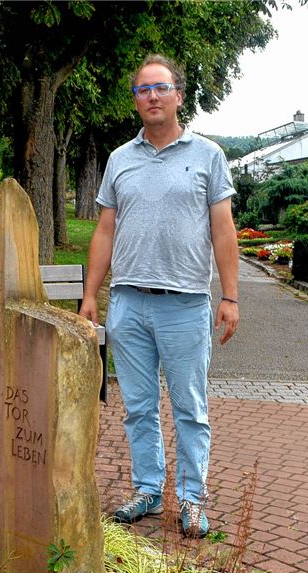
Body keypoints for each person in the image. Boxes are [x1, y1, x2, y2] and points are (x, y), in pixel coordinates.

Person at [79, 54, 239, 539]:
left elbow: (224, 229)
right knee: (139, 406)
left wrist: (230, 297)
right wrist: (90, 296)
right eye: (143, 90)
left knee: (190, 407)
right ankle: (148, 489)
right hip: (128, 301)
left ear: (178, 95)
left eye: (160, 88)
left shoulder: (208, 155)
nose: (151, 96)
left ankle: (191, 499)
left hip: (186, 303)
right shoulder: (119, 159)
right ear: (136, 100)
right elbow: (105, 230)